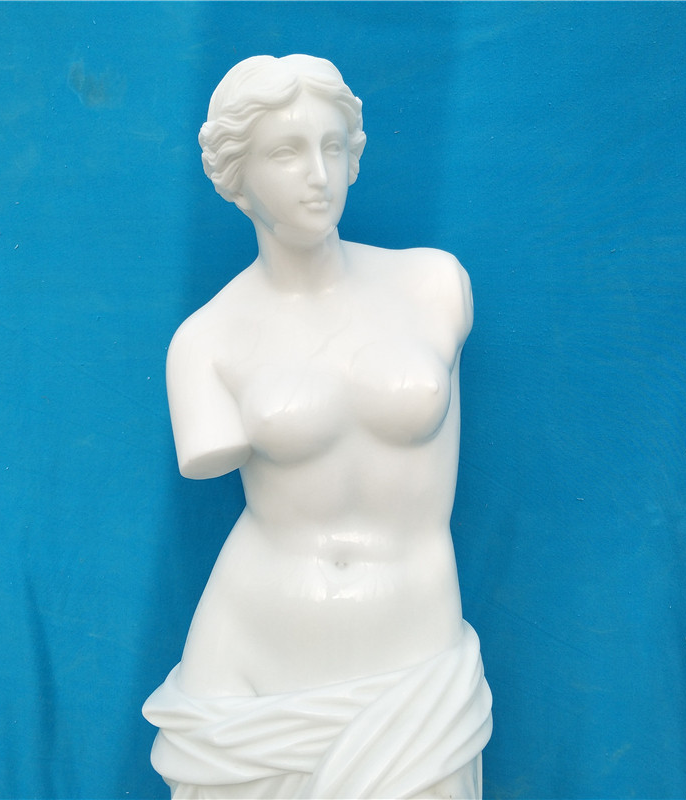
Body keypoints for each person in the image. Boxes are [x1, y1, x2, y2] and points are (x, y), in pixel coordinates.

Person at [143, 54, 492, 799]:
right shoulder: (205, 342)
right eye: (286, 152)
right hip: (251, 658)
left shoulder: (433, 284)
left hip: (412, 653)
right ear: (237, 177)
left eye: (332, 147)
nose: (318, 174)